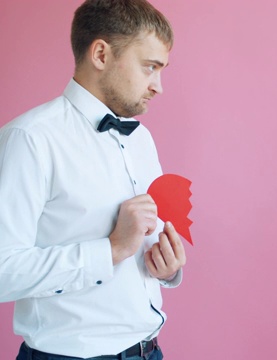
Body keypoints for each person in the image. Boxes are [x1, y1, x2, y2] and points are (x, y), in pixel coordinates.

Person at [0, 0, 186, 359]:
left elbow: (141, 248)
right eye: (149, 67)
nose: (158, 86)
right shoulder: (30, 139)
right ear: (100, 54)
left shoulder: (140, 139)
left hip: (149, 351)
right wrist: (111, 249)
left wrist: (166, 268)